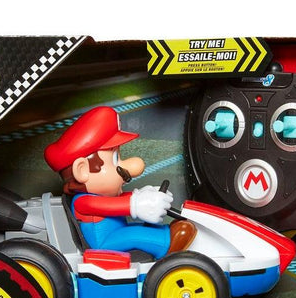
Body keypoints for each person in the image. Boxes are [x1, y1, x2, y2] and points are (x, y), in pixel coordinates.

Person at [44, 106, 196, 258]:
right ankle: (167, 244)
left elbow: (118, 201)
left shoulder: (101, 195)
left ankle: (165, 233)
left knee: (140, 228)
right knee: (135, 234)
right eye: (115, 159)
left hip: (116, 232)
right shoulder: (83, 202)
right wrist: (137, 204)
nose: (131, 168)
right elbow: (114, 206)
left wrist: (145, 194)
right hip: (103, 243)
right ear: (82, 170)